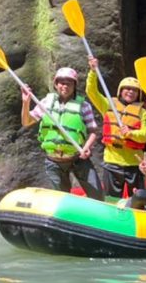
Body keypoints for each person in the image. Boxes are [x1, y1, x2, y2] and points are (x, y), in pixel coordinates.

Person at [21, 66, 103, 199]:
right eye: (61, 83)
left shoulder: (84, 106)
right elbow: (26, 122)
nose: (65, 86)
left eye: (69, 83)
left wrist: (86, 148)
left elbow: (93, 131)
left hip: (77, 158)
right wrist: (26, 103)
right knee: (63, 198)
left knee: (97, 195)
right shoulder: (46, 102)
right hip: (53, 161)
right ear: (56, 84)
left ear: (74, 85)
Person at [85, 56, 146, 198]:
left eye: (134, 90)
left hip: (135, 162)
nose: (130, 92)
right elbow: (91, 92)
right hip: (112, 161)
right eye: (127, 89)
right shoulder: (108, 105)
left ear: (138, 94)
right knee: (112, 198)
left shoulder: (142, 112)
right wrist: (93, 72)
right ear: (120, 91)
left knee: (138, 199)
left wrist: (131, 134)